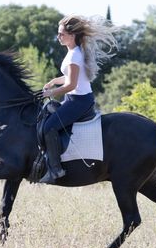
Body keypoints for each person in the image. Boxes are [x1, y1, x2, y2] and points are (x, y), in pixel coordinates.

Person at [39, 15, 118, 184]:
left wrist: (51, 93)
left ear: (72, 35)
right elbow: (69, 77)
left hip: (79, 101)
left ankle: (56, 169)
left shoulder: (74, 56)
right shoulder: (73, 53)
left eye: (61, 34)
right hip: (76, 99)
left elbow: (71, 84)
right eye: (58, 33)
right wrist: (54, 81)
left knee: (48, 127)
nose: (58, 37)